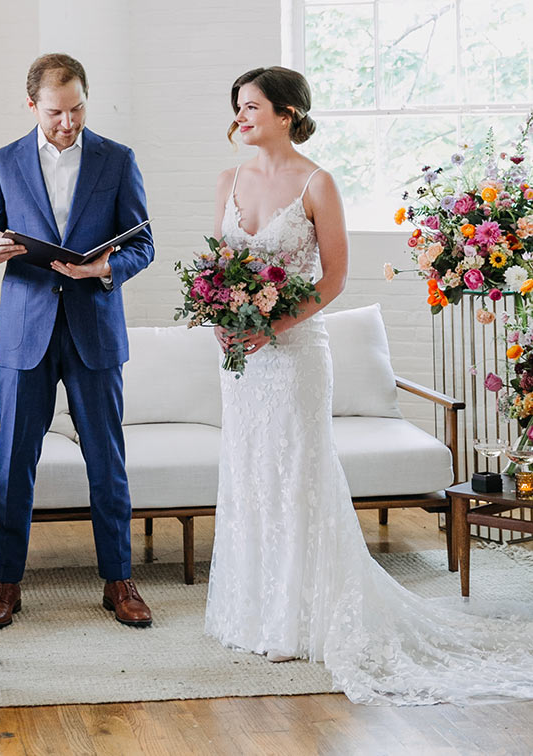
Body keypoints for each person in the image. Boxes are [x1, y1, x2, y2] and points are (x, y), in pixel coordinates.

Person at [205, 64, 533, 703]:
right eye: (237, 106)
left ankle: (299, 618)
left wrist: (272, 327)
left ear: (287, 115)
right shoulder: (228, 180)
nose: (240, 117)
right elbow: (221, 268)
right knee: (249, 471)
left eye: (251, 107)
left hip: (295, 353)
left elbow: (333, 279)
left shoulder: (318, 183)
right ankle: (253, 611)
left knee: (296, 471)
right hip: (241, 360)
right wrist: (222, 314)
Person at [0, 54, 155, 630]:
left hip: (94, 328)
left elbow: (143, 243)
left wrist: (106, 268)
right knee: (14, 462)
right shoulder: (2, 162)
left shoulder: (117, 159)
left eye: (77, 109)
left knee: (107, 459)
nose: (68, 122)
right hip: (25, 332)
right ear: (32, 105)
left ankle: (119, 580)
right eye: (56, 112)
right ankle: (6, 582)